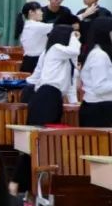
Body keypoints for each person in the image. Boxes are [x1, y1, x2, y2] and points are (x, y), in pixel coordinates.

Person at [11, 25, 81, 194]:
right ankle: (15, 184)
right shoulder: (56, 49)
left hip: (54, 99)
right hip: (45, 97)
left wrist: (74, 103)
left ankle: (30, 188)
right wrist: (74, 36)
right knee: (35, 142)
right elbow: (75, 49)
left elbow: (71, 84)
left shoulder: (65, 56)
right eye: (70, 35)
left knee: (43, 144)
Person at [79, 17, 112, 127]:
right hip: (98, 109)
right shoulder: (99, 55)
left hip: (99, 107)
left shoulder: (100, 53)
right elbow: (100, 88)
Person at [18, 1, 53, 73]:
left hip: (27, 61)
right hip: (36, 62)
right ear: (31, 12)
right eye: (39, 10)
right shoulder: (36, 26)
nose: (42, 13)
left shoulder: (27, 24)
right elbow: (58, 26)